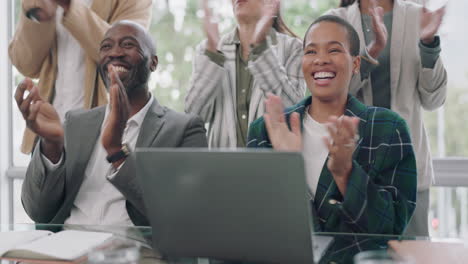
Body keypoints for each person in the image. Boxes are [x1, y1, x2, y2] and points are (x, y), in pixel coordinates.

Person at [16, 21, 208, 226]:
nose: (115, 53)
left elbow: (184, 217)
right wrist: (51, 147)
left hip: (135, 252)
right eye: (106, 46)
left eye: (128, 44)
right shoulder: (75, 124)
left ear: (153, 62)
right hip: (67, 248)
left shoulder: (183, 129)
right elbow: (37, 211)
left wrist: (117, 151)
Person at [247, 15, 417, 235]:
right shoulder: (265, 130)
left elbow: (391, 227)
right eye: (311, 51)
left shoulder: (388, 129)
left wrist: (345, 173)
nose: (321, 59)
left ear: (356, 63)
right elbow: (254, 223)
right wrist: (289, 169)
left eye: (334, 50)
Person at [326, 0, 447, 236]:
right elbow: (331, 96)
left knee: (413, 256)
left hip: (407, 168)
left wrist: (428, 44)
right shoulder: (334, 20)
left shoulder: (417, 16)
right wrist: (372, 52)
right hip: (353, 167)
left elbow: (434, 100)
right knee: (355, 253)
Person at [9, 0, 153, 154]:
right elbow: (26, 64)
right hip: (46, 137)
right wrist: (38, 14)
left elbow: (126, 57)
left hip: (103, 139)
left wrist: (69, 7)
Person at [185, 0, 305, 148]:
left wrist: (261, 49)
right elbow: (193, 116)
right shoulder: (211, 49)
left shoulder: (294, 48)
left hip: (271, 168)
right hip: (222, 169)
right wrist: (213, 56)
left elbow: (291, 113)